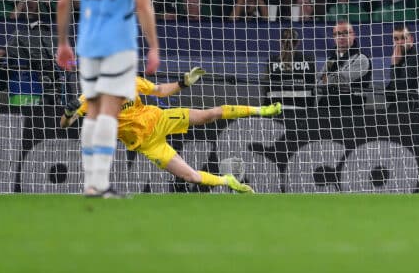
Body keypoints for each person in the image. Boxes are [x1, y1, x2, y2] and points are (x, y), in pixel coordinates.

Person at [54, 0, 160, 198]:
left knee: (92, 110)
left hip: (87, 42)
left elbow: (63, 2)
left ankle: (91, 182)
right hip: (119, 43)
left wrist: (63, 43)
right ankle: (98, 184)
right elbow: (142, 4)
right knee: (109, 112)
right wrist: (153, 46)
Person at [61, 72, 281, 193]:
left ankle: (261, 109)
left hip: (159, 120)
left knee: (207, 115)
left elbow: (160, 91)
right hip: (147, 145)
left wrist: (183, 83)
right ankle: (228, 181)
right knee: (191, 177)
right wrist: (69, 111)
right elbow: (65, 123)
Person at [318, 21, 372, 106]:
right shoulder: (331, 59)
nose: (341, 37)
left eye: (345, 33)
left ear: (353, 35)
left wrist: (327, 80)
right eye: (337, 34)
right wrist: (327, 80)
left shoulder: (361, 59)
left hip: (350, 111)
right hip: (326, 108)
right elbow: (319, 80)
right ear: (334, 37)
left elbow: (341, 79)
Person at [385, 24, 419, 100]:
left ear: (411, 39)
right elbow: (389, 96)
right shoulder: (401, 59)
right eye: (396, 39)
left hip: (414, 109)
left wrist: (394, 65)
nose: (399, 42)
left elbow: (400, 90)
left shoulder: (417, 59)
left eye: (403, 38)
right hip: (401, 108)